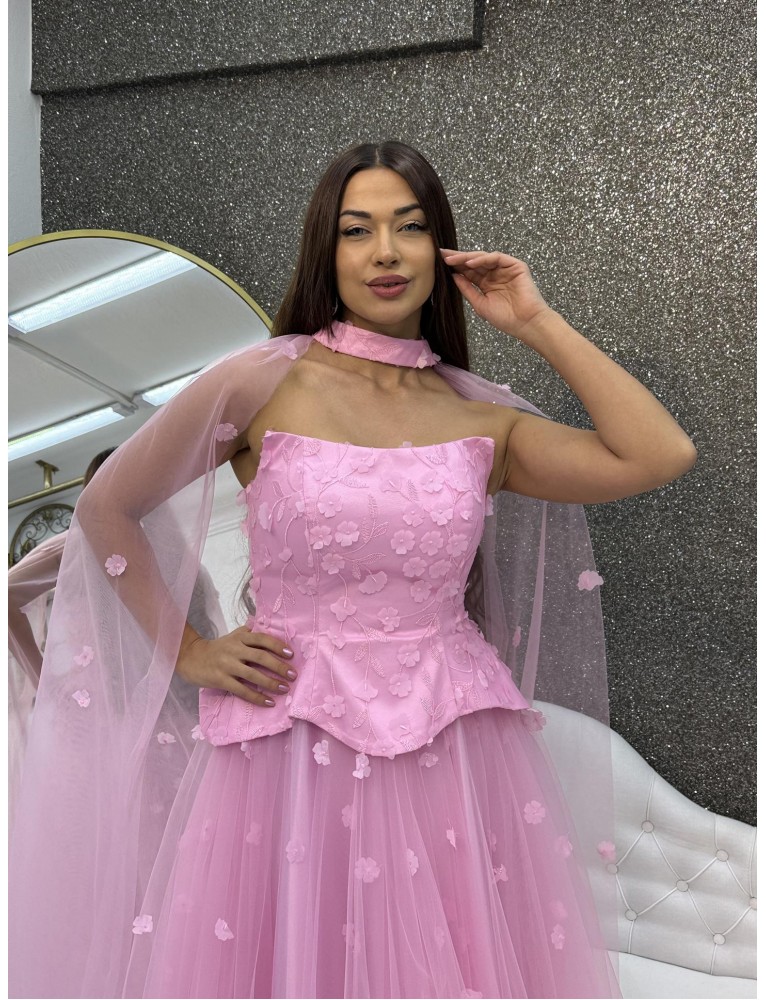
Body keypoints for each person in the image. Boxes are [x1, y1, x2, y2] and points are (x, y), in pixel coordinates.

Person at [8, 142, 696, 999]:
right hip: (289, 748)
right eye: (357, 230)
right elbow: (107, 508)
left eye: (410, 228)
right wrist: (188, 651)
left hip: (451, 749)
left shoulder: (481, 421)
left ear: (441, 249)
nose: (384, 252)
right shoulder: (262, 383)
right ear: (325, 252)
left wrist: (535, 321)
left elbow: (657, 453)